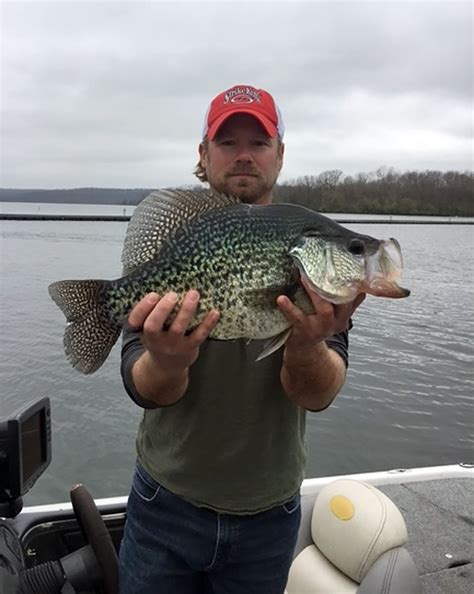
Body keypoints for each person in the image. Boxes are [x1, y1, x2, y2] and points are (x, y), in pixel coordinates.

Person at [118, 84, 365, 594]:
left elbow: (317, 396)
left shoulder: (315, 261)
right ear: (203, 156)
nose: (245, 155)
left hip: (268, 515)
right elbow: (143, 387)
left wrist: (304, 344)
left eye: (260, 141)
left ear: (280, 154)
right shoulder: (174, 241)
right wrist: (166, 362)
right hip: (164, 503)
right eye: (228, 143)